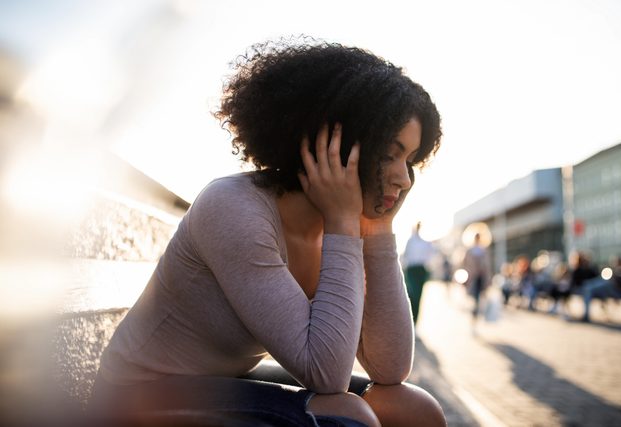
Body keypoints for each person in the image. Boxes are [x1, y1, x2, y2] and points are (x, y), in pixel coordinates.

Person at [88, 38, 446, 427]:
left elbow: (390, 368)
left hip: (225, 384)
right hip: (134, 398)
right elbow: (326, 374)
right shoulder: (233, 208)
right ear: (335, 142)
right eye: (389, 154)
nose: (404, 178)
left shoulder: (341, 225)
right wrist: (345, 224)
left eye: (410, 160)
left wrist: (377, 229)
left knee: (414, 411)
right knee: (347, 419)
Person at [402, 222, 436, 324]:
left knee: (418, 295)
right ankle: (410, 319)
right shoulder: (411, 241)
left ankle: (415, 320)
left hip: (420, 270)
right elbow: (406, 256)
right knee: (412, 294)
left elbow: (430, 255)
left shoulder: (425, 242)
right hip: (412, 270)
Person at [462, 232, 491, 331]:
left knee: (477, 300)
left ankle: (475, 319)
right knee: (473, 299)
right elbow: (465, 264)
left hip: (480, 278)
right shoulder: (470, 251)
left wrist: (488, 279)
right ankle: (473, 317)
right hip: (472, 278)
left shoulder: (483, 250)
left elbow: (487, 267)